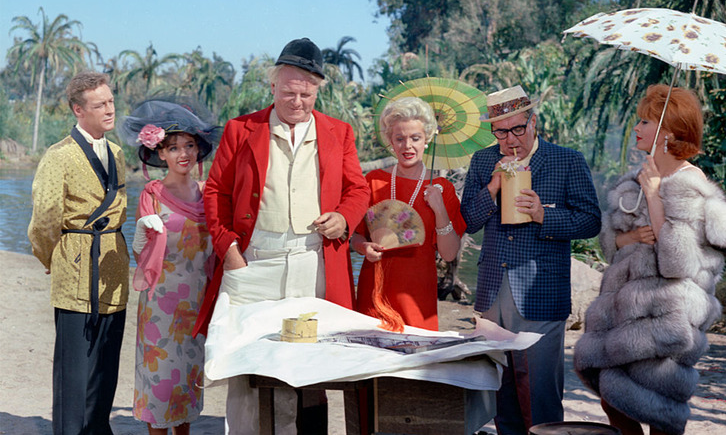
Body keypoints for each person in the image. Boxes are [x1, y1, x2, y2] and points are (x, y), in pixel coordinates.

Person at [193, 38, 370, 434]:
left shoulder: (338, 132)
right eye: (289, 92)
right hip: (254, 260)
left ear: (318, 90)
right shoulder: (242, 129)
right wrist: (229, 248)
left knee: (310, 361)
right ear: (272, 88)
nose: (297, 101)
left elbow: (358, 190)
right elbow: (216, 191)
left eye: (306, 94)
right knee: (246, 361)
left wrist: (344, 218)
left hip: (312, 261)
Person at [573, 85, 726, 435]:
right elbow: (611, 244)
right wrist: (630, 237)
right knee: (612, 394)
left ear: (668, 132)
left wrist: (656, 195)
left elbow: (676, 261)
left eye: (645, 121)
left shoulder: (689, 183)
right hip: (626, 316)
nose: (636, 128)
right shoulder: (639, 178)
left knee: (658, 412)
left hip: (666, 319)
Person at [460, 84, 601, 433]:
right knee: (500, 389)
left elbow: (590, 221)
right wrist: (491, 188)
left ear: (534, 122)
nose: (510, 140)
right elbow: (469, 221)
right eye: (500, 132)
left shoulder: (566, 160)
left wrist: (543, 215)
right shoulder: (482, 160)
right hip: (494, 290)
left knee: (540, 391)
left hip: (542, 290)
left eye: (518, 129)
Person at [28, 71, 128, 435]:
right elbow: (44, 220)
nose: (109, 109)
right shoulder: (59, 156)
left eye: (111, 101)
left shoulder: (116, 151)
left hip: (113, 271)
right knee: (73, 372)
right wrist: (52, 259)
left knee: (106, 365)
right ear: (77, 110)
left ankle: (99, 429)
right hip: (75, 270)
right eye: (100, 104)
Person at [118, 100, 220, 434]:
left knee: (188, 382)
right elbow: (142, 252)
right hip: (160, 303)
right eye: (174, 148)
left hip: (196, 302)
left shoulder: (209, 194)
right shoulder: (153, 193)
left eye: (189, 146)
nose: (183, 154)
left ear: (199, 150)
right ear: (160, 154)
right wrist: (141, 236)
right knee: (160, 385)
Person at [351, 96, 466, 331]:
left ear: (427, 140)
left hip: (417, 294)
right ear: (390, 141)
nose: (407, 146)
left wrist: (440, 208)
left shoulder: (442, 187)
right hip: (374, 290)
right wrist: (364, 248)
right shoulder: (373, 182)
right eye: (399, 139)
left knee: (415, 363)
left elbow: (449, 252)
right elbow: (355, 236)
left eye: (415, 138)